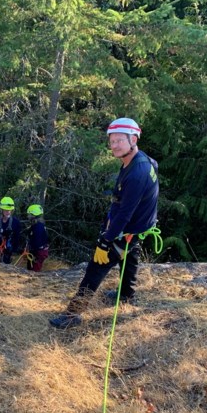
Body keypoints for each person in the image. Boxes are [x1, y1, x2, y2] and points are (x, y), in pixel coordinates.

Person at [50, 117, 159, 329]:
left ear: (133, 139)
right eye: (112, 141)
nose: (114, 145)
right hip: (138, 227)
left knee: (96, 267)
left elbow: (125, 215)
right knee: (131, 255)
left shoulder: (137, 173)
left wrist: (106, 241)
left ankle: (73, 314)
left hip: (128, 228)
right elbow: (153, 170)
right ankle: (126, 293)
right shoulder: (142, 161)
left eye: (119, 140)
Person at [23, 204, 50, 271]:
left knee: (33, 270)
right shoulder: (37, 225)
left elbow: (37, 242)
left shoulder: (38, 227)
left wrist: (32, 252)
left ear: (33, 215)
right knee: (31, 268)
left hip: (38, 253)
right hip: (37, 252)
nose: (27, 216)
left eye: (29, 214)